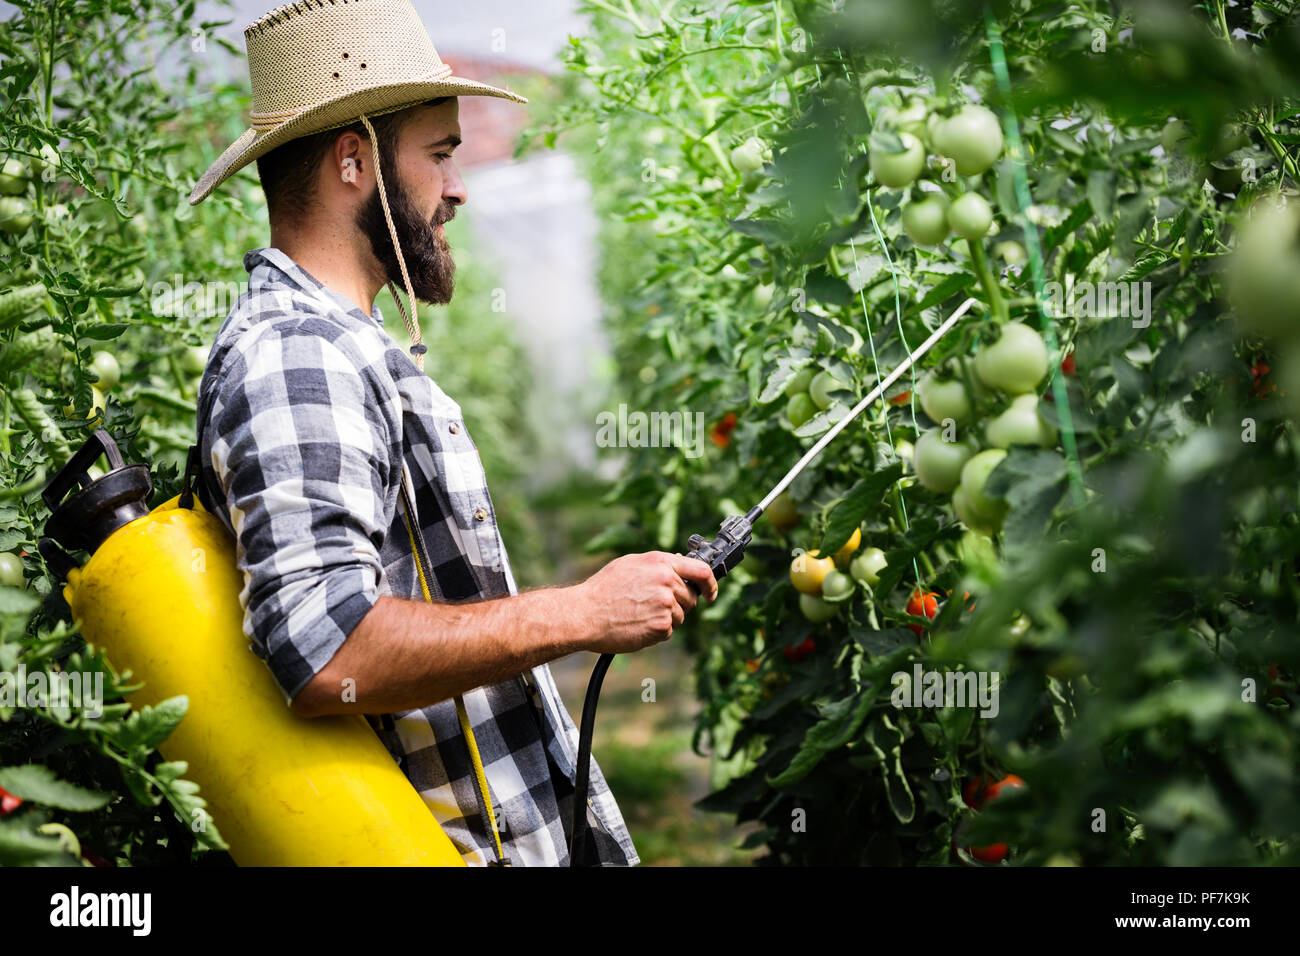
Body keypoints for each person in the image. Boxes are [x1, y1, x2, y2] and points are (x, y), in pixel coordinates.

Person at [187, 0, 717, 867]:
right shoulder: (296, 355)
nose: (459, 187)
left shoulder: (340, 345)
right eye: (438, 155)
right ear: (352, 158)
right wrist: (580, 610)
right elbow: (327, 646)